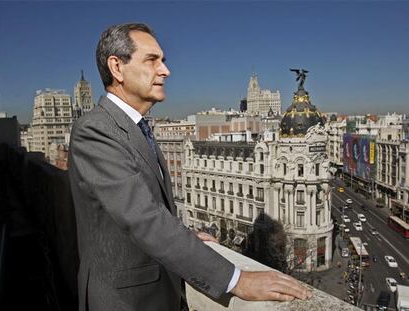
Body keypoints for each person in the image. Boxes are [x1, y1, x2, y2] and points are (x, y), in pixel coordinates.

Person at [68, 23, 311, 311]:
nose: (165, 70)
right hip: (125, 301)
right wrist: (237, 280)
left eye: (163, 61)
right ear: (117, 67)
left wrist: (185, 235)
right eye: (152, 60)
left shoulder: (136, 128)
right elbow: (143, 218)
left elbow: (145, 207)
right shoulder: (95, 130)